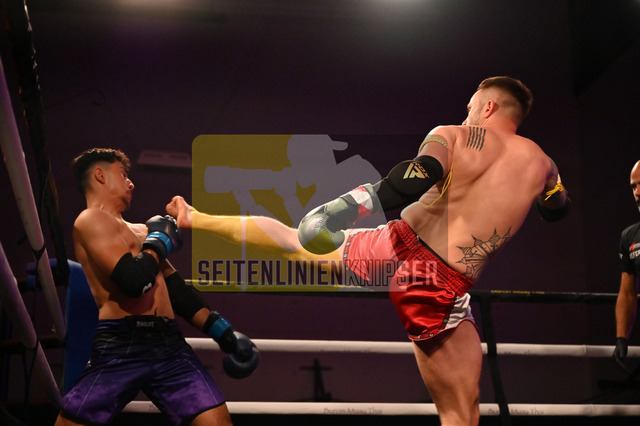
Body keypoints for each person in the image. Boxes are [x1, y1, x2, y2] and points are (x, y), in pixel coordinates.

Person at [166, 76, 570, 426]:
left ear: (489, 106)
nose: (466, 116)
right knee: (461, 414)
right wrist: (539, 191)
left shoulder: (453, 135)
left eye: (470, 108)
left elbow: (415, 178)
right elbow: (557, 209)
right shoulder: (544, 165)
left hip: (393, 245)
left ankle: (195, 217)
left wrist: (341, 208)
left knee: (292, 240)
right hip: (434, 282)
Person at [55, 148, 258, 426]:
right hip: (122, 344)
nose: (131, 183)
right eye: (123, 175)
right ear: (100, 175)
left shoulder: (142, 231)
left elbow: (177, 291)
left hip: (169, 345)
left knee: (217, 421)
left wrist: (224, 334)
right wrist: (159, 241)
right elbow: (133, 281)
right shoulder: (89, 220)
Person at [613, 160, 640, 370]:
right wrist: (621, 337)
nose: (637, 192)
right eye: (633, 186)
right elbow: (628, 293)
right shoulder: (630, 236)